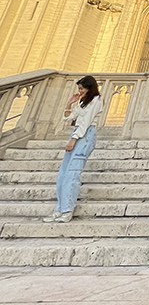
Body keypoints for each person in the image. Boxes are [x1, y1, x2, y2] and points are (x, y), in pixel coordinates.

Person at [43, 75, 102, 223]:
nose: (80, 91)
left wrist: (74, 139)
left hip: (85, 135)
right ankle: (60, 208)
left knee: (72, 173)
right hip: (76, 134)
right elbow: (69, 118)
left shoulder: (97, 101)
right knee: (63, 173)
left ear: (90, 88)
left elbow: (86, 122)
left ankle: (68, 210)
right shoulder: (83, 102)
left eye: (82, 88)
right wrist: (70, 104)